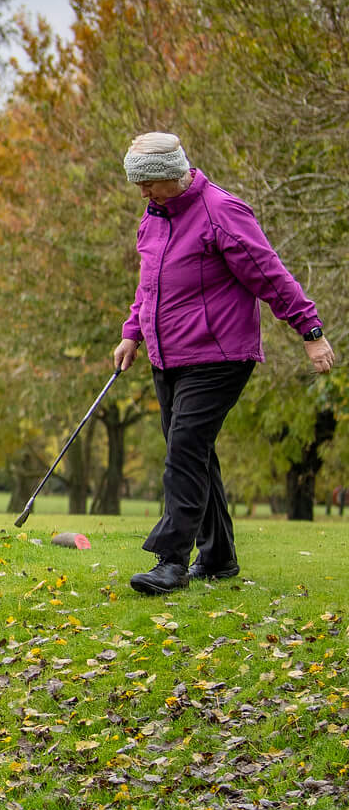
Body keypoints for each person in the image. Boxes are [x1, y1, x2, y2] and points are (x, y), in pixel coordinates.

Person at [111, 133, 334, 595]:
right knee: (195, 451)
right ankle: (218, 558)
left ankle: (171, 561)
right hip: (167, 354)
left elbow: (269, 272)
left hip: (219, 354)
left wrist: (310, 331)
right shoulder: (152, 219)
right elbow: (149, 286)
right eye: (139, 185)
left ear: (174, 174)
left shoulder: (221, 211)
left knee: (184, 449)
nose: (143, 193)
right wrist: (132, 333)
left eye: (149, 183)